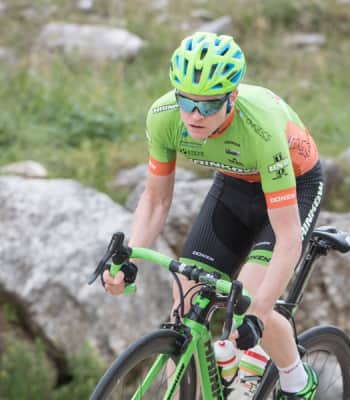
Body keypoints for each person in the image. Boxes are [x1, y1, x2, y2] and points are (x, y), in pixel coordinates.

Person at [103, 31, 323, 399]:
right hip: (235, 184)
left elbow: (288, 240)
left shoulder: (261, 130)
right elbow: (156, 200)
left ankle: (297, 381)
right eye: (186, 101)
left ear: (231, 98)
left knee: (250, 301)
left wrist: (258, 314)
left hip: (294, 186)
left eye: (207, 106)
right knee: (183, 306)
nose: (194, 115)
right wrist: (131, 260)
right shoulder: (163, 118)